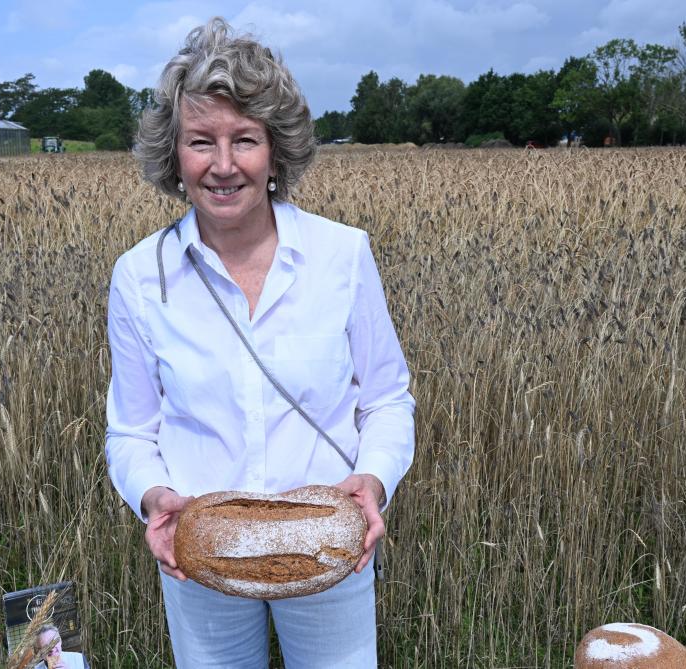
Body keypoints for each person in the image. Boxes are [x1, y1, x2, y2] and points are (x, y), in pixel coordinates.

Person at [105, 17, 414, 668]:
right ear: (174, 154)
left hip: (328, 547)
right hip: (203, 556)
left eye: (244, 139)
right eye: (200, 141)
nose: (222, 165)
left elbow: (388, 397)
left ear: (275, 150)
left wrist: (375, 480)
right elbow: (131, 431)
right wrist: (155, 498)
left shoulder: (343, 255)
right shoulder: (140, 275)